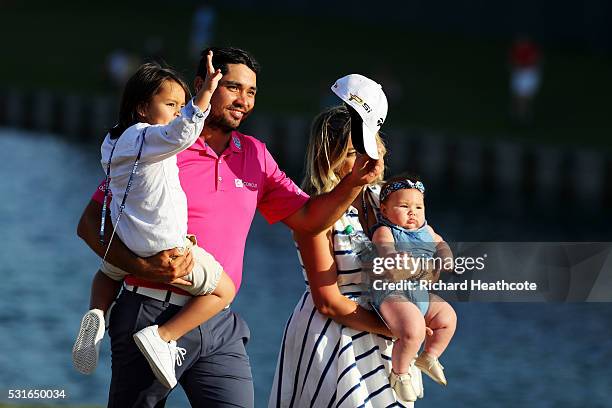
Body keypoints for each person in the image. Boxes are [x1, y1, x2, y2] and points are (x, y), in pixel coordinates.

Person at [76, 47, 383, 407]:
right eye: (234, 88)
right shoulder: (163, 144)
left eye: (251, 92)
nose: (244, 100)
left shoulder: (255, 154)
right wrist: (142, 267)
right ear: (203, 85)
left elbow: (308, 220)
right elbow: (89, 225)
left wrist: (352, 184)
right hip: (148, 312)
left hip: (218, 323)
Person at [72, 55, 238, 390]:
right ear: (142, 109)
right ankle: (162, 337)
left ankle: (96, 315)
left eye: (181, 105)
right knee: (224, 290)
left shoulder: (113, 142)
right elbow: (183, 132)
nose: (178, 112)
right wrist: (204, 96)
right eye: (171, 104)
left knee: (108, 271)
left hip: (126, 238)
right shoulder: (148, 138)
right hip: (163, 246)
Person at [269, 74, 424, 407]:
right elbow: (327, 301)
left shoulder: (386, 201)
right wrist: (396, 330)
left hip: (386, 333)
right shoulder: (312, 211)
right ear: (330, 157)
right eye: (353, 153)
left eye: (368, 147)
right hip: (335, 337)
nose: (365, 160)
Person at [370, 176, 457, 401]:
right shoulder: (386, 232)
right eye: (404, 206)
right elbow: (385, 252)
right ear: (385, 210)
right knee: (414, 330)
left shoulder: (428, 231)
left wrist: (446, 258)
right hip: (392, 292)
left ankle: (429, 356)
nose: (413, 212)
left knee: (448, 317)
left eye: (418, 207)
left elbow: (442, 245)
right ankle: (399, 374)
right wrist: (394, 257)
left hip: (419, 291)